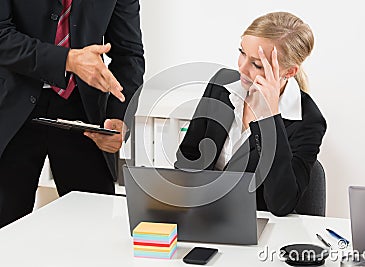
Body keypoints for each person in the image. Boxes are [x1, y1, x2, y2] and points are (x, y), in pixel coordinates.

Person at [0, 0, 145, 227]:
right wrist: (68, 60)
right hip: (10, 108)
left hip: (84, 113)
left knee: (93, 228)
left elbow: (129, 54)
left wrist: (118, 118)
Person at [175, 12, 326, 216]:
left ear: (289, 72)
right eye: (242, 52)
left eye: (256, 64)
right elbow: (188, 157)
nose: (242, 68)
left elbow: (281, 204)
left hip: (256, 227)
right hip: (203, 217)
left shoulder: (308, 121)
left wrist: (269, 118)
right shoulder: (221, 86)